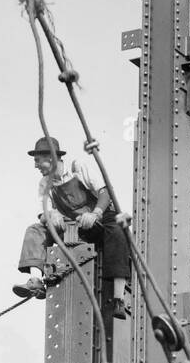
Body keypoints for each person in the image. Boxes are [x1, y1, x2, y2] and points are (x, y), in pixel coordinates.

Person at [13, 136, 133, 319]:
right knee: (35, 230)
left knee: (117, 230)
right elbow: (42, 212)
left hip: (98, 222)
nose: (36, 166)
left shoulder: (78, 167)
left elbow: (105, 192)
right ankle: (37, 280)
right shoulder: (45, 183)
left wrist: (95, 214)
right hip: (74, 227)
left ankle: (118, 298)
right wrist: (52, 215)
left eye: (38, 161)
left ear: (51, 158)